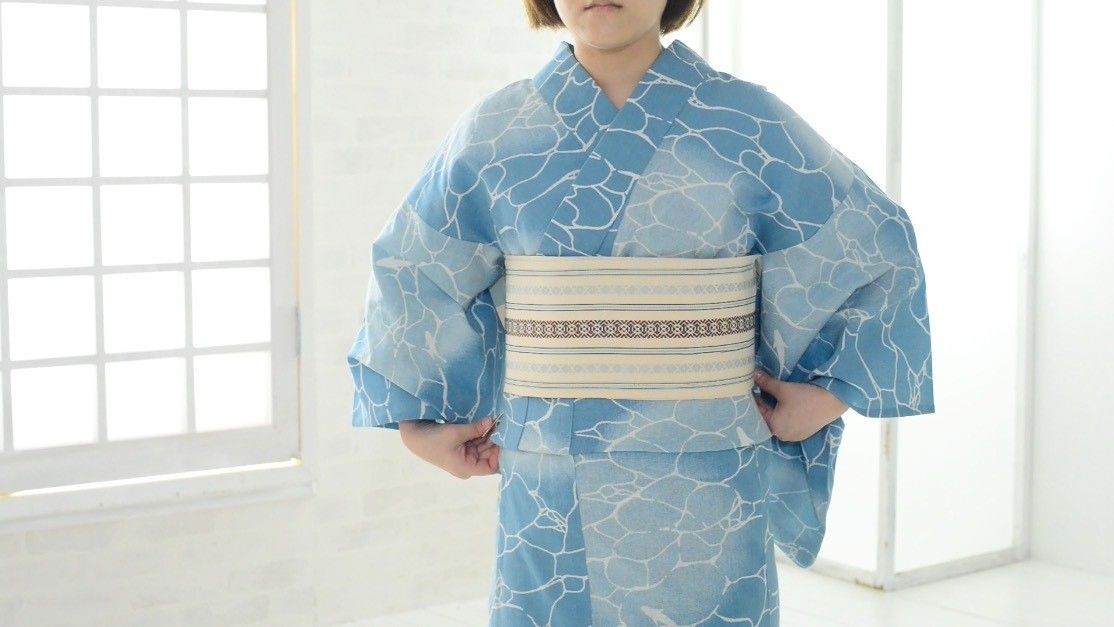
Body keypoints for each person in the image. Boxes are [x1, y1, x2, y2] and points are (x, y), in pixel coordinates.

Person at [346, 0, 935, 624]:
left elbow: (872, 242)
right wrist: (419, 425)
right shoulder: (494, 132)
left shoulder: (750, 122)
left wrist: (830, 395)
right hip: (552, 477)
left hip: (709, 469)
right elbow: (415, 270)